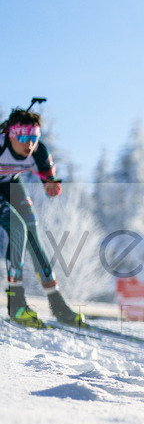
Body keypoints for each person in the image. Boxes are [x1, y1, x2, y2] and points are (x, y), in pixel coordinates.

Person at [1, 108, 85, 328]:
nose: (29, 144)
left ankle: (58, 305)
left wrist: (51, 185)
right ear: (10, 134)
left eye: (34, 138)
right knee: (17, 228)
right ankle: (15, 303)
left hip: (10, 184)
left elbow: (49, 178)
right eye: (23, 137)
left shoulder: (38, 152)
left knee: (33, 233)